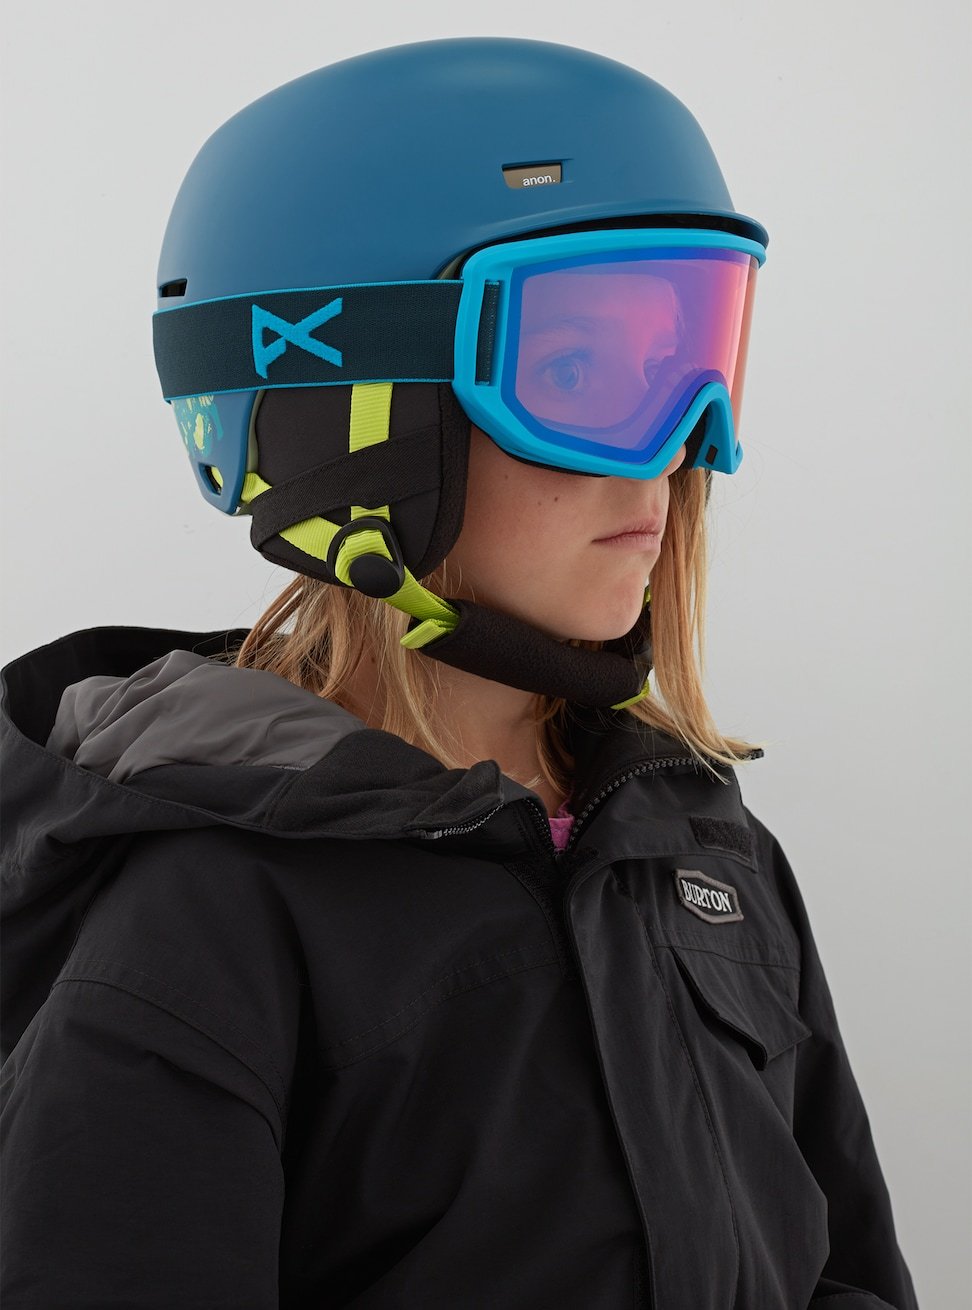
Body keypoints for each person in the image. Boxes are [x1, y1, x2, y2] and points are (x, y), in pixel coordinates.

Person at [0, 36, 919, 1309]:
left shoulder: (704, 852)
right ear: (354, 418)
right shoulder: (208, 915)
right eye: (580, 370)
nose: (670, 448)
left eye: (689, 359)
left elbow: (844, 1274)